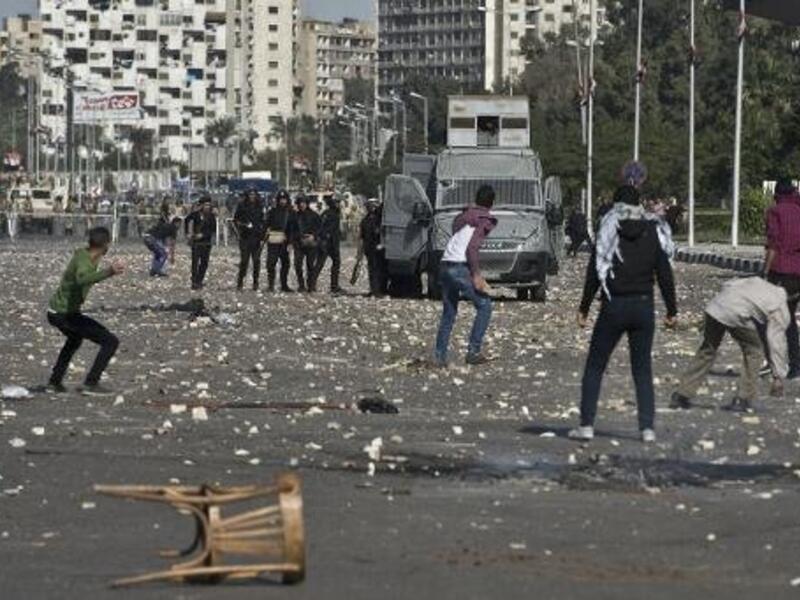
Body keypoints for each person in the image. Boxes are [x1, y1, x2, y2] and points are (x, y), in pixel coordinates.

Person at [571, 184, 677, 443]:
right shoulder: (652, 229)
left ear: (616, 203)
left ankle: (586, 425)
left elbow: (596, 271)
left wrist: (584, 307)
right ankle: (647, 429)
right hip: (643, 306)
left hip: (614, 305)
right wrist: (672, 310)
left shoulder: (609, 227)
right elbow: (664, 272)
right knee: (642, 369)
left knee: (595, 365)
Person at [671, 278, 789, 413]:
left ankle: (681, 394)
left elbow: (728, 284)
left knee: (707, 350)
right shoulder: (780, 303)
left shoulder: (757, 281)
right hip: (735, 312)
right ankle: (744, 397)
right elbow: (776, 341)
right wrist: (778, 375)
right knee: (754, 351)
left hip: (715, 307)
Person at [46, 226, 124, 395]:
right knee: (110, 342)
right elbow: (82, 279)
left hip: (58, 312)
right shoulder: (84, 260)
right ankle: (91, 383)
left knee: (74, 339)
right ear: (106, 245)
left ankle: (54, 382)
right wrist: (109, 271)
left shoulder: (83, 253)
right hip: (63, 314)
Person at [434, 184, 498, 367]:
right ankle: (473, 351)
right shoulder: (485, 219)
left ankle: (440, 356)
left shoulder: (465, 216)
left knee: (449, 312)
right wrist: (476, 275)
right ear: (492, 203)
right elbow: (472, 248)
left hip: (445, 264)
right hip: (458, 266)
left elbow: (457, 234)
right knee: (484, 306)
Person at [763, 178, 800, 379]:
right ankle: (793, 364)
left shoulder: (775, 212)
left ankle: (780, 362)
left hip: (783, 272)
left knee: (778, 318)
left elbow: (773, 245)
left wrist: (765, 272)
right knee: (789, 317)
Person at [233, 189, 265, 290]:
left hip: (256, 237)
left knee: (256, 261)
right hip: (245, 237)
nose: (252, 196)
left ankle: (255, 282)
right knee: (244, 261)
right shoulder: (242, 206)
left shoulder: (259, 206)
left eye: (254, 194)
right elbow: (235, 220)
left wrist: (262, 233)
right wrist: (242, 227)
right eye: (250, 194)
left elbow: (262, 221)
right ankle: (240, 282)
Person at [310, 196, 343, 294]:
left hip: (326, 242)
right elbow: (328, 229)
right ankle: (333, 286)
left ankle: (313, 285)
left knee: (322, 264)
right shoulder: (333, 214)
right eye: (336, 202)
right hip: (328, 243)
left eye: (338, 202)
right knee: (324, 263)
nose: (338, 204)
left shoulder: (327, 213)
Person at [265, 189, 294, 292]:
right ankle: (271, 285)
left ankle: (284, 285)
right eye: (281, 199)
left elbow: (292, 228)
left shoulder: (290, 212)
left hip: (284, 242)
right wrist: (267, 233)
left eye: (284, 199)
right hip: (273, 241)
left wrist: (290, 241)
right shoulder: (272, 211)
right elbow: (266, 225)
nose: (283, 201)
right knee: (271, 264)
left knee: (285, 264)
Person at [291, 195, 321, 293]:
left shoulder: (314, 215)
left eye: (303, 203)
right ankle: (301, 284)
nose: (302, 205)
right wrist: (297, 239)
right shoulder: (295, 216)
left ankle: (311, 285)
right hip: (299, 243)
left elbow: (320, 229)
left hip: (311, 244)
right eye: (300, 203)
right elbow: (292, 230)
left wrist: (313, 236)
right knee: (298, 264)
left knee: (310, 265)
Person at [186, 197, 216, 290]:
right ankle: (194, 282)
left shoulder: (211, 216)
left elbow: (212, 230)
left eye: (208, 205)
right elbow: (187, 220)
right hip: (196, 242)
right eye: (205, 205)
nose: (207, 207)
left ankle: (199, 280)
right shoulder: (195, 214)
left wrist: (203, 235)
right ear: (201, 205)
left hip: (206, 242)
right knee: (195, 262)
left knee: (204, 263)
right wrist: (187, 233)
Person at [359, 198, 386, 296]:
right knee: (373, 270)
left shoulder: (379, 218)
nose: (371, 207)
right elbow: (362, 236)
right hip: (370, 248)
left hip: (378, 247)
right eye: (369, 206)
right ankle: (374, 290)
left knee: (379, 271)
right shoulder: (365, 220)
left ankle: (379, 290)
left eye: (372, 205)